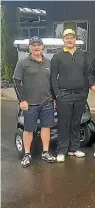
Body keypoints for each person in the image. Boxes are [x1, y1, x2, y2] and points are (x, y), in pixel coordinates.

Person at [13, 36, 56, 168]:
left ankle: (45, 152)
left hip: (46, 102)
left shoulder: (49, 63)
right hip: (30, 104)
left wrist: (54, 98)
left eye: (39, 45)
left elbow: (53, 82)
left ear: (43, 46)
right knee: (28, 129)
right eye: (34, 45)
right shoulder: (23, 63)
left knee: (46, 127)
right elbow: (16, 82)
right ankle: (27, 154)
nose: (36, 47)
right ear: (30, 47)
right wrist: (22, 100)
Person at [50, 29, 90, 162]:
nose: (69, 40)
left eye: (72, 37)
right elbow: (53, 77)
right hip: (64, 95)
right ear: (63, 40)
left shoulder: (82, 55)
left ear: (75, 39)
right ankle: (62, 150)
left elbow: (86, 74)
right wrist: (57, 95)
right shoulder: (58, 56)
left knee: (76, 122)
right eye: (67, 38)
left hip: (80, 94)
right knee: (64, 123)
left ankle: (74, 148)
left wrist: (85, 93)